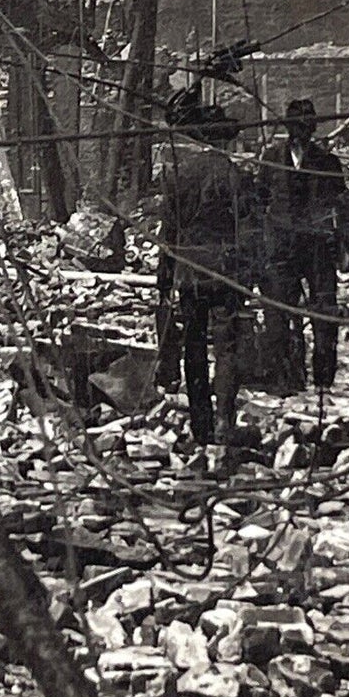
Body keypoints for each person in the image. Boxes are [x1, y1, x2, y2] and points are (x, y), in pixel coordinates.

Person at [155, 89, 265, 445]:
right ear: (223, 140)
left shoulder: (178, 175)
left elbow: (168, 233)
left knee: (194, 347)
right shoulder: (235, 176)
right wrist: (252, 275)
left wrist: (165, 279)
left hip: (189, 273)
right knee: (227, 346)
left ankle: (200, 425)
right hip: (225, 272)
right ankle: (223, 420)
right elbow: (249, 228)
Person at [257, 97, 349, 395]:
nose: (302, 133)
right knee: (279, 314)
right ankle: (288, 376)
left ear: (313, 129)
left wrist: (347, 246)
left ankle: (323, 379)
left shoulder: (328, 162)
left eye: (307, 127)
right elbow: (258, 201)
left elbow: (342, 206)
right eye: (296, 127)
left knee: (324, 312)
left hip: (318, 247)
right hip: (281, 247)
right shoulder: (271, 158)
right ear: (288, 129)